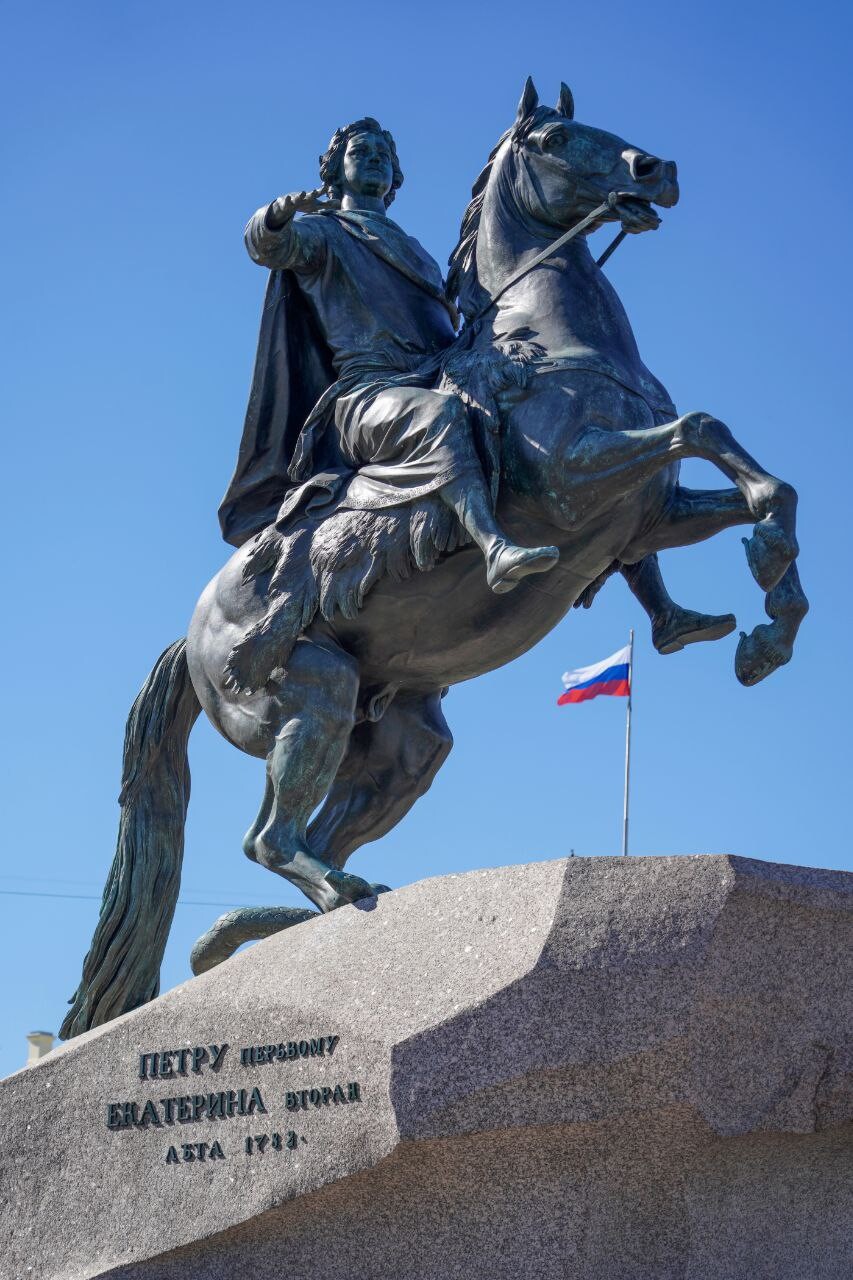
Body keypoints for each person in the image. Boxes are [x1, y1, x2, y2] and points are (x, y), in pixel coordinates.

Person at [220, 116, 558, 594]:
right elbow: (269, 245)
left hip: (433, 375)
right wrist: (275, 214)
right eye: (362, 152)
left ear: (396, 176)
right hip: (366, 395)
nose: (376, 158)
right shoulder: (324, 233)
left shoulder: (417, 251)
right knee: (438, 415)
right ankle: (495, 548)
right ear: (335, 171)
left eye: (384, 154)